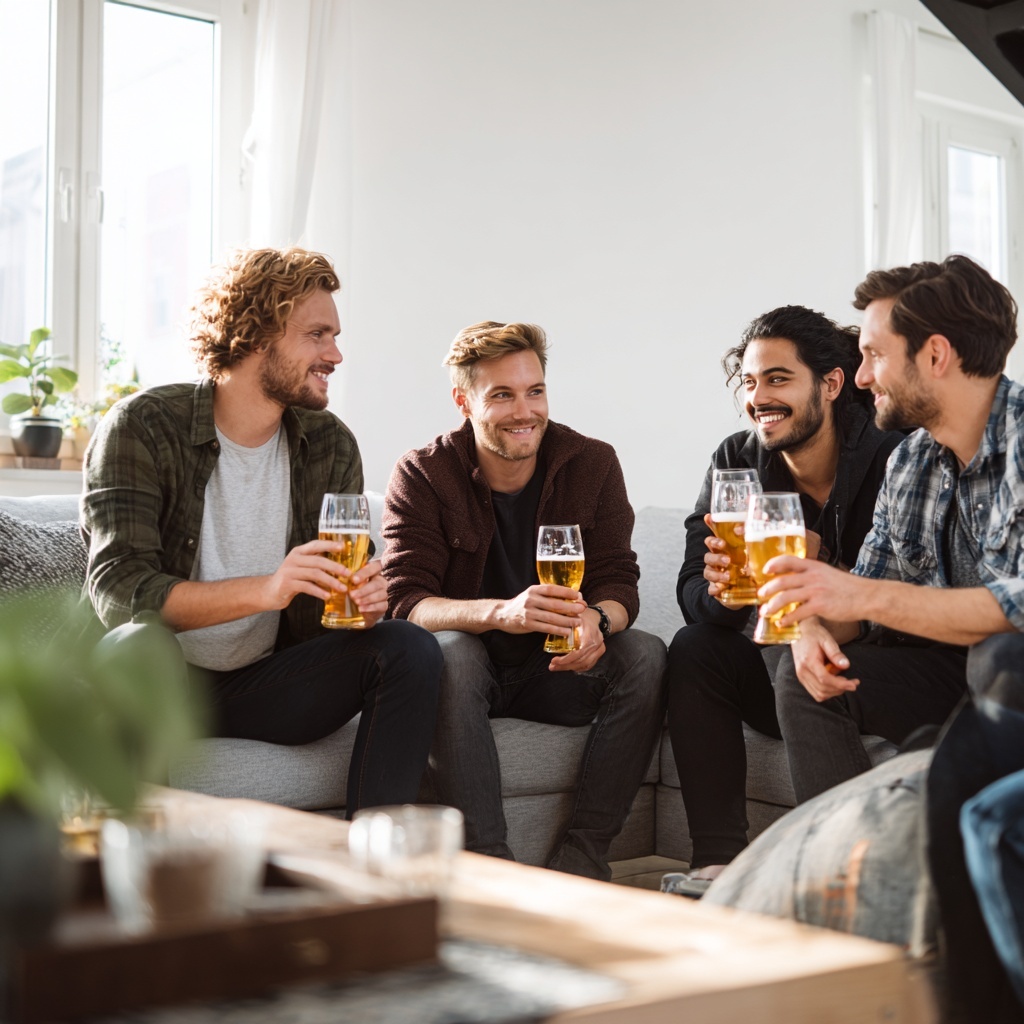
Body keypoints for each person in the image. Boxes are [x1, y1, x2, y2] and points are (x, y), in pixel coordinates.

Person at [81, 246, 442, 814]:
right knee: (138, 644)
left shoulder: (330, 443)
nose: (336, 354)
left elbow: (343, 592)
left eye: (335, 336)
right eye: (318, 334)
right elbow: (120, 590)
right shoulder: (144, 426)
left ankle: (377, 869)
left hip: (264, 686)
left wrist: (364, 602)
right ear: (257, 332)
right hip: (158, 681)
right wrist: (270, 588)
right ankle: (144, 868)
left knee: (409, 648)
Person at [381, 320, 667, 881]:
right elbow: (405, 601)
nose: (524, 411)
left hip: (556, 669)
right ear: (464, 401)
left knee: (647, 652)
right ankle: (491, 868)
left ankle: (583, 860)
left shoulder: (592, 462)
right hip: (468, 678)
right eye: (502, 395)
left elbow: (618, 578)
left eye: (534, 391)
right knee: (454, 654)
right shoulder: (423, 472)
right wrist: (499, 613)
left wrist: (597, 620)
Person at [759, 254, 1024, 805]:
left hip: (1010, 669)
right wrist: (807, 622)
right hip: (954, 674)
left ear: (935, 354)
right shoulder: (910, 462)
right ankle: (847, 873)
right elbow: (858, 602)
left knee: (999, 657)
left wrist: (858, 592)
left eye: (874, 355)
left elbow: (1015, 610)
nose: (859, 377)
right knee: (804, 673)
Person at [665, 305, 905, 896]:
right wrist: (723, 593)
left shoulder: (890, 454)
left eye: (777, 379)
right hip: (777, 658)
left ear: (830, 383)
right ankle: (717, 866)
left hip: (867, 666)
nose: (758, 398)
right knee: (695, 645)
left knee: (785, 642)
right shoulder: (736, 460)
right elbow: (693, 591)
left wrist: (819, 570)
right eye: (749, 382)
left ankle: (837, 872)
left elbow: (902, 598)